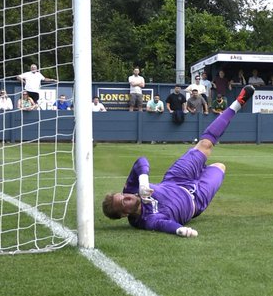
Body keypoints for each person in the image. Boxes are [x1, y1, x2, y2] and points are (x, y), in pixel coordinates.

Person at [101, 86, 254, 238]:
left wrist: (143, 181)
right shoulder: (147, 220)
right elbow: (163, 224)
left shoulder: (132, 189)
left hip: (176, 179)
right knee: (220, 166)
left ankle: (237, 103)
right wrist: (180, 230)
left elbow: (141, 162)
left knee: (205, 144)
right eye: (124, 202)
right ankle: (202, 171)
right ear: (124, 214)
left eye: (122, 195)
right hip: (196, 199)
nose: (127, 197)